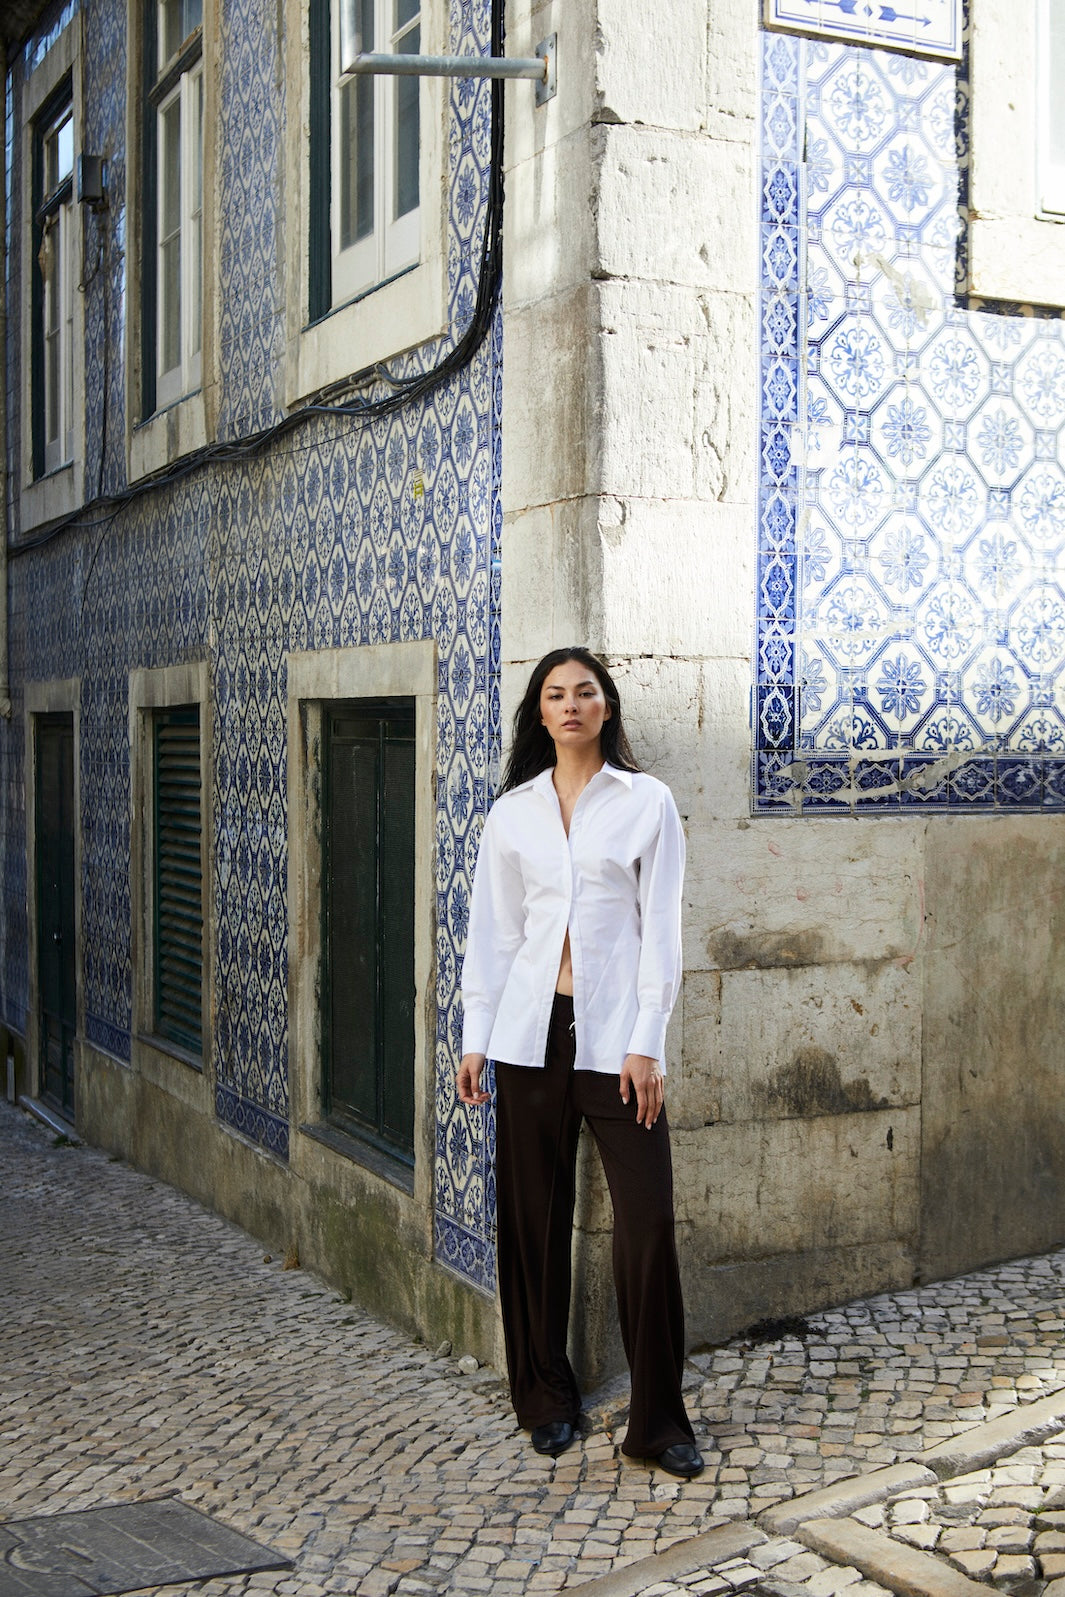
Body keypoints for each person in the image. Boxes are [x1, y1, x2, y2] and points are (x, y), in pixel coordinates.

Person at [456, 646, 703, 1478]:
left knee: (649, 1221)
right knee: (529, 1225)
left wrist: (648, 1040)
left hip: (615, 1045)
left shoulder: (647, 803)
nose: (569, 705)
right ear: (538, 713)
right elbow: (492, 935)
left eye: (584, 692)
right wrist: (474, 1035)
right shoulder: (512, 814)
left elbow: (661, 927)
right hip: (529, 1038)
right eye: (555, 694)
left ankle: (658, 1423)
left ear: (606, 708)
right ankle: (544, 1397)